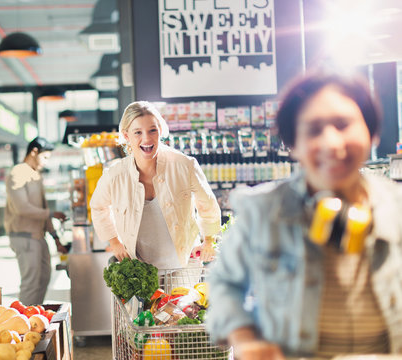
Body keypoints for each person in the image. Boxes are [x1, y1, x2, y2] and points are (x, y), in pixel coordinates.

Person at [206, 70, 402, 359]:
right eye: (313, 130)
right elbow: (224, 284)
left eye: (343, 124)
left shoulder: (396, 208)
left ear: (371, 131)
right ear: (293, 144)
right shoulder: (262, 212)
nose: (332, 144)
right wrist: (244, 338)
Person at [90, 101, 221, 273]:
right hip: (140, 271)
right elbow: (98, 206)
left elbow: (207, 205)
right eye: (138, 132)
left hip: (183, 267)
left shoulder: (185, 165)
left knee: (180, 301)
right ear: (127, 136)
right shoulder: (115, 175)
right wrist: (114, 241)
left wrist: (209, 240)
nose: (147, 139)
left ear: (160, 130)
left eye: (153, 130)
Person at [4, 137, 69, 305]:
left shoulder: (35, 175)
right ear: (34, 152)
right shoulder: (18, 172)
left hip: (39, 237)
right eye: (45, 157)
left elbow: (42, 208)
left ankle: (35, 317)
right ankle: (22, 324)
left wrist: (55, 238)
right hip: (24, 237)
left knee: (44, 279)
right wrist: (52, 213)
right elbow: (22, 208)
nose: (46, 162)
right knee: (31, 284)